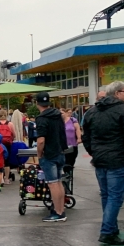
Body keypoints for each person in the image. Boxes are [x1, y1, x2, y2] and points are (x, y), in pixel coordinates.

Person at [82, 81, 124, 245]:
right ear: (117, 93)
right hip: (119, 159)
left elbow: (86, 136)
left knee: (107, 195)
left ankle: (111, 228)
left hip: (100, 159)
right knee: (115, 197)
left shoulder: (92, 111)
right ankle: (107, 230)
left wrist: (94, 152)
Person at [35, 92, 69, 223]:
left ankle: (57, 212)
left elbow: (41, 140)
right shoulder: (58, 115)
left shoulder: (41, 118)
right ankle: (61, 210)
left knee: (52, 184)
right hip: (60, 152)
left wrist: (39, 154)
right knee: (59, 182)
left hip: (49, 154)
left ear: (37, 103)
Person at [0, 110, 15, 184]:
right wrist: (11, 140)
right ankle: (6, 179)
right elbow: (14, 134)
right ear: (6, 115)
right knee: (7, 161)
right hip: (7, 144)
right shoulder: (10, 124)